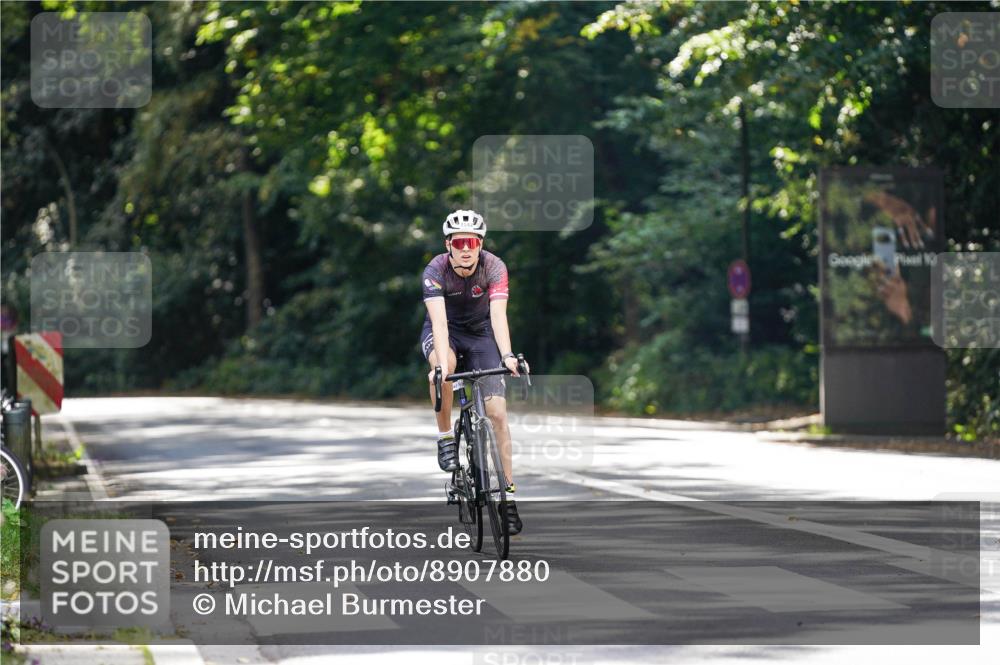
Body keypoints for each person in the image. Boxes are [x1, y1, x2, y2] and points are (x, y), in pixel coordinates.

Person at [420, 209, 526, 535]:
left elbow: (498, 317)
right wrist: (441, 365)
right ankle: (445, 438)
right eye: (459, 242)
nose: (466, 249)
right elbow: (439, 324)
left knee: (498, 415)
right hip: (446, 333)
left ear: (480, 244)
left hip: (481, 335)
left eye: (472, 242)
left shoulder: (494, 267)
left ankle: (508, 498)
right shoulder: (435, 270)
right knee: (442, 370)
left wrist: (507, 355)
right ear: (448, 245)